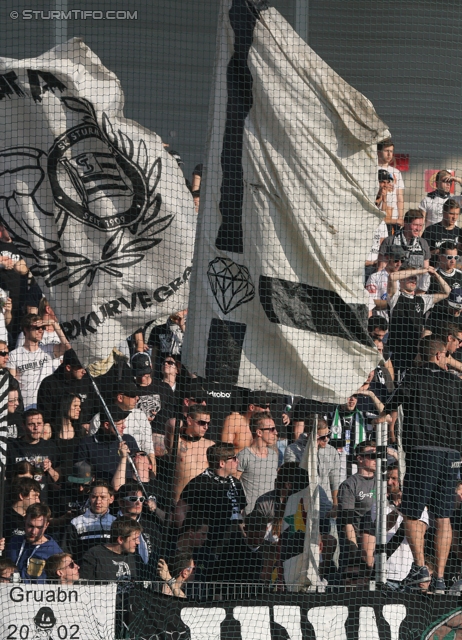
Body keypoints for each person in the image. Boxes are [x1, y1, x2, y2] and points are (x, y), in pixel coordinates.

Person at [380, 336, 462, 594]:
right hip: (452, 455)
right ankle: (439, 579)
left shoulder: (413, 377)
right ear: (439, 355)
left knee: (412, 511)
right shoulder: (455, 382)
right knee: (444, 517)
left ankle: (420, 567)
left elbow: (391, 405)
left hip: (422, 452)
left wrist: (383, 418)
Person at [175, 443, 246, 580]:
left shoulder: (236, 483)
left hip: (232, 545)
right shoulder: (200, 483)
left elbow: (240, 514)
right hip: (207, 547)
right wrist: (190, 537)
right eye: (234, 458)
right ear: (221, 463)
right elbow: (180, 510)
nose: (237, 461)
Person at [387, 265, 450, 376]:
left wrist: (435, 274)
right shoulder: (395, 297)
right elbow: (392, 276)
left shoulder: (422, 300)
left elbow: (448, 293)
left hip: (415, 354)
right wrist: (421, 271)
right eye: (410, 277)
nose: (413, 280)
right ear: (401, 280)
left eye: (415, 278)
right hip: (396, 351)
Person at [89, 381, 156, 474]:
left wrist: (153, 474)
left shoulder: (140, 416)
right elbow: (93, 449)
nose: (137, 398)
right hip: (107, 471)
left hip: (135, 472)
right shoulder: (98, 419)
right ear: (120, 397)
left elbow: (148, 448)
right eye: (133, 396)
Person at [8, 314, 70, 410]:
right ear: (26, 329)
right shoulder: (14, 355)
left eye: (42, 327)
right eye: (37, 327)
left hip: (47, 404)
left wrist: (54, 324)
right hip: (25, 406)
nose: (41, 330)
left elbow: (67, 347)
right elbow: (12, 384)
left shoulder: (48, 349)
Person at [338, 441, 377, 576]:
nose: (376, 459)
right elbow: (347, 522)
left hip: (381, 537)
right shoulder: (349, 485)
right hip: (358, 541)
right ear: (359, 458)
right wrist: (354, 551)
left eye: (378, 455)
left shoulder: (383, 481)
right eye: (372, 456)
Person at [6, 409, 60, 502]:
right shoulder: (12, 446)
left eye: (39, 424)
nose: (36, 428)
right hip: (17, 502)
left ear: (43, 424)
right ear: (23, 426)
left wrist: (50, 469)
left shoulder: (50, 446)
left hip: (41, 503)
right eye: (31, 424)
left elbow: (58, 479)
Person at [76, 407, 140, 484]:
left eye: (124, 422)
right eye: (120, 424)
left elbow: (139, 467)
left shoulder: (129, 440)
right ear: (106, 425)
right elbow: (80, 476)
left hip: (128, 490)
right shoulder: (87, 444)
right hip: (100, 492)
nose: (124, 426)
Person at [37, 348, 97, 427]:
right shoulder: (49, 384)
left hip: (83, 432)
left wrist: (88, 424)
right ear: (68, 368)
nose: (84, 371)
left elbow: (95, 406)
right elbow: (45, 415)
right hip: (58, 433)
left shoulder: (87, 380)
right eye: (80, 367)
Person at [167, 404, 214, 503]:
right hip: (178, 504)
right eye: (202, 423)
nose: (206, 427)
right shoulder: (177, 441)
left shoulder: (210, 445)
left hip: (201, 505)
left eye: (208, 423)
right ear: (189, 420)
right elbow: (171, 423)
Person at [62, 480, 116, 565]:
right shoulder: (76, 522)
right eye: (94, 497)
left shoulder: (116, 522)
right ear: (89, 497)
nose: (98, 501)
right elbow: (67, 552)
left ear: (111, 499)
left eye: (103, 497)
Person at [235, 411, 279, 515]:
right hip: (250, 517)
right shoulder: (244, 455)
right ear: (259, 432)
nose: (276, 432)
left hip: (270, 515)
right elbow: (233, 484)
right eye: (272, 429)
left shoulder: (274, 455)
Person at [6, 503, 62, 583]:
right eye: (30, 526)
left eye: (39, 527)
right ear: (25, 519)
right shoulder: (14, 542)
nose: (33, 532)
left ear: (46, 525)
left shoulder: (54, 552)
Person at [117, 481, 161, 579]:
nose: (138, 503)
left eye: (141, 499)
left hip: (149, 580)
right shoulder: (112, 524)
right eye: (133, 499)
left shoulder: (151, 526)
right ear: (121, 502)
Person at [366, 245, 406, 321]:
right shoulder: (375, 277)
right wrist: (394, 303)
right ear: (387, 258)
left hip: (399, 324)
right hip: (381, 323)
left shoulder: (403, 278)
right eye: (396, 260)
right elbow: (371, 303)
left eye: (402, 260)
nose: (399, 264)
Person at [4, 477, 41, 542]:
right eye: (35, 496)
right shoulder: (4, 518)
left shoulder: (36, 517)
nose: (38, 501)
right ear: (21, 496)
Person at [376, 140, 405, 225]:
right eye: (386, 151)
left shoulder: (396, 172)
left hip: (393, 217)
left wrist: (400, 217)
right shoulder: (373, 170)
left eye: (391, 151)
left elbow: (400, 197)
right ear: (378, 152)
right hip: (377, 214)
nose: (389, 154)